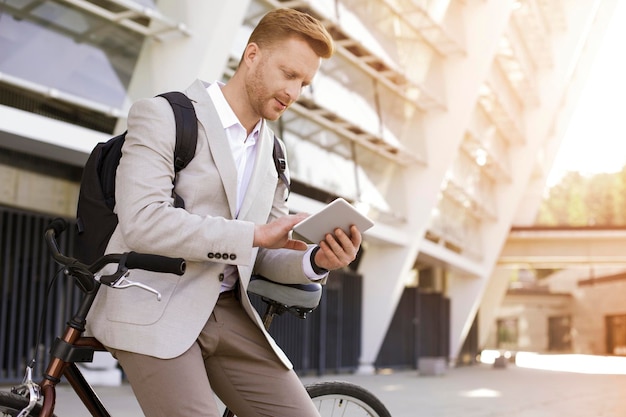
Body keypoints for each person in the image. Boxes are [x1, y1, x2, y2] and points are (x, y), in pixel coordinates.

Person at [86, 8, 362, 417]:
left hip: (228, 313)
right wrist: (251, 234)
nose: (295, 92)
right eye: (288, 74)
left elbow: (264, 254)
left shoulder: (274, 154)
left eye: (303, 83)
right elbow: (144, 222)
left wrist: (314, 260)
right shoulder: (162, 115)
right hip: (151, 302)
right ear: (252, 55)